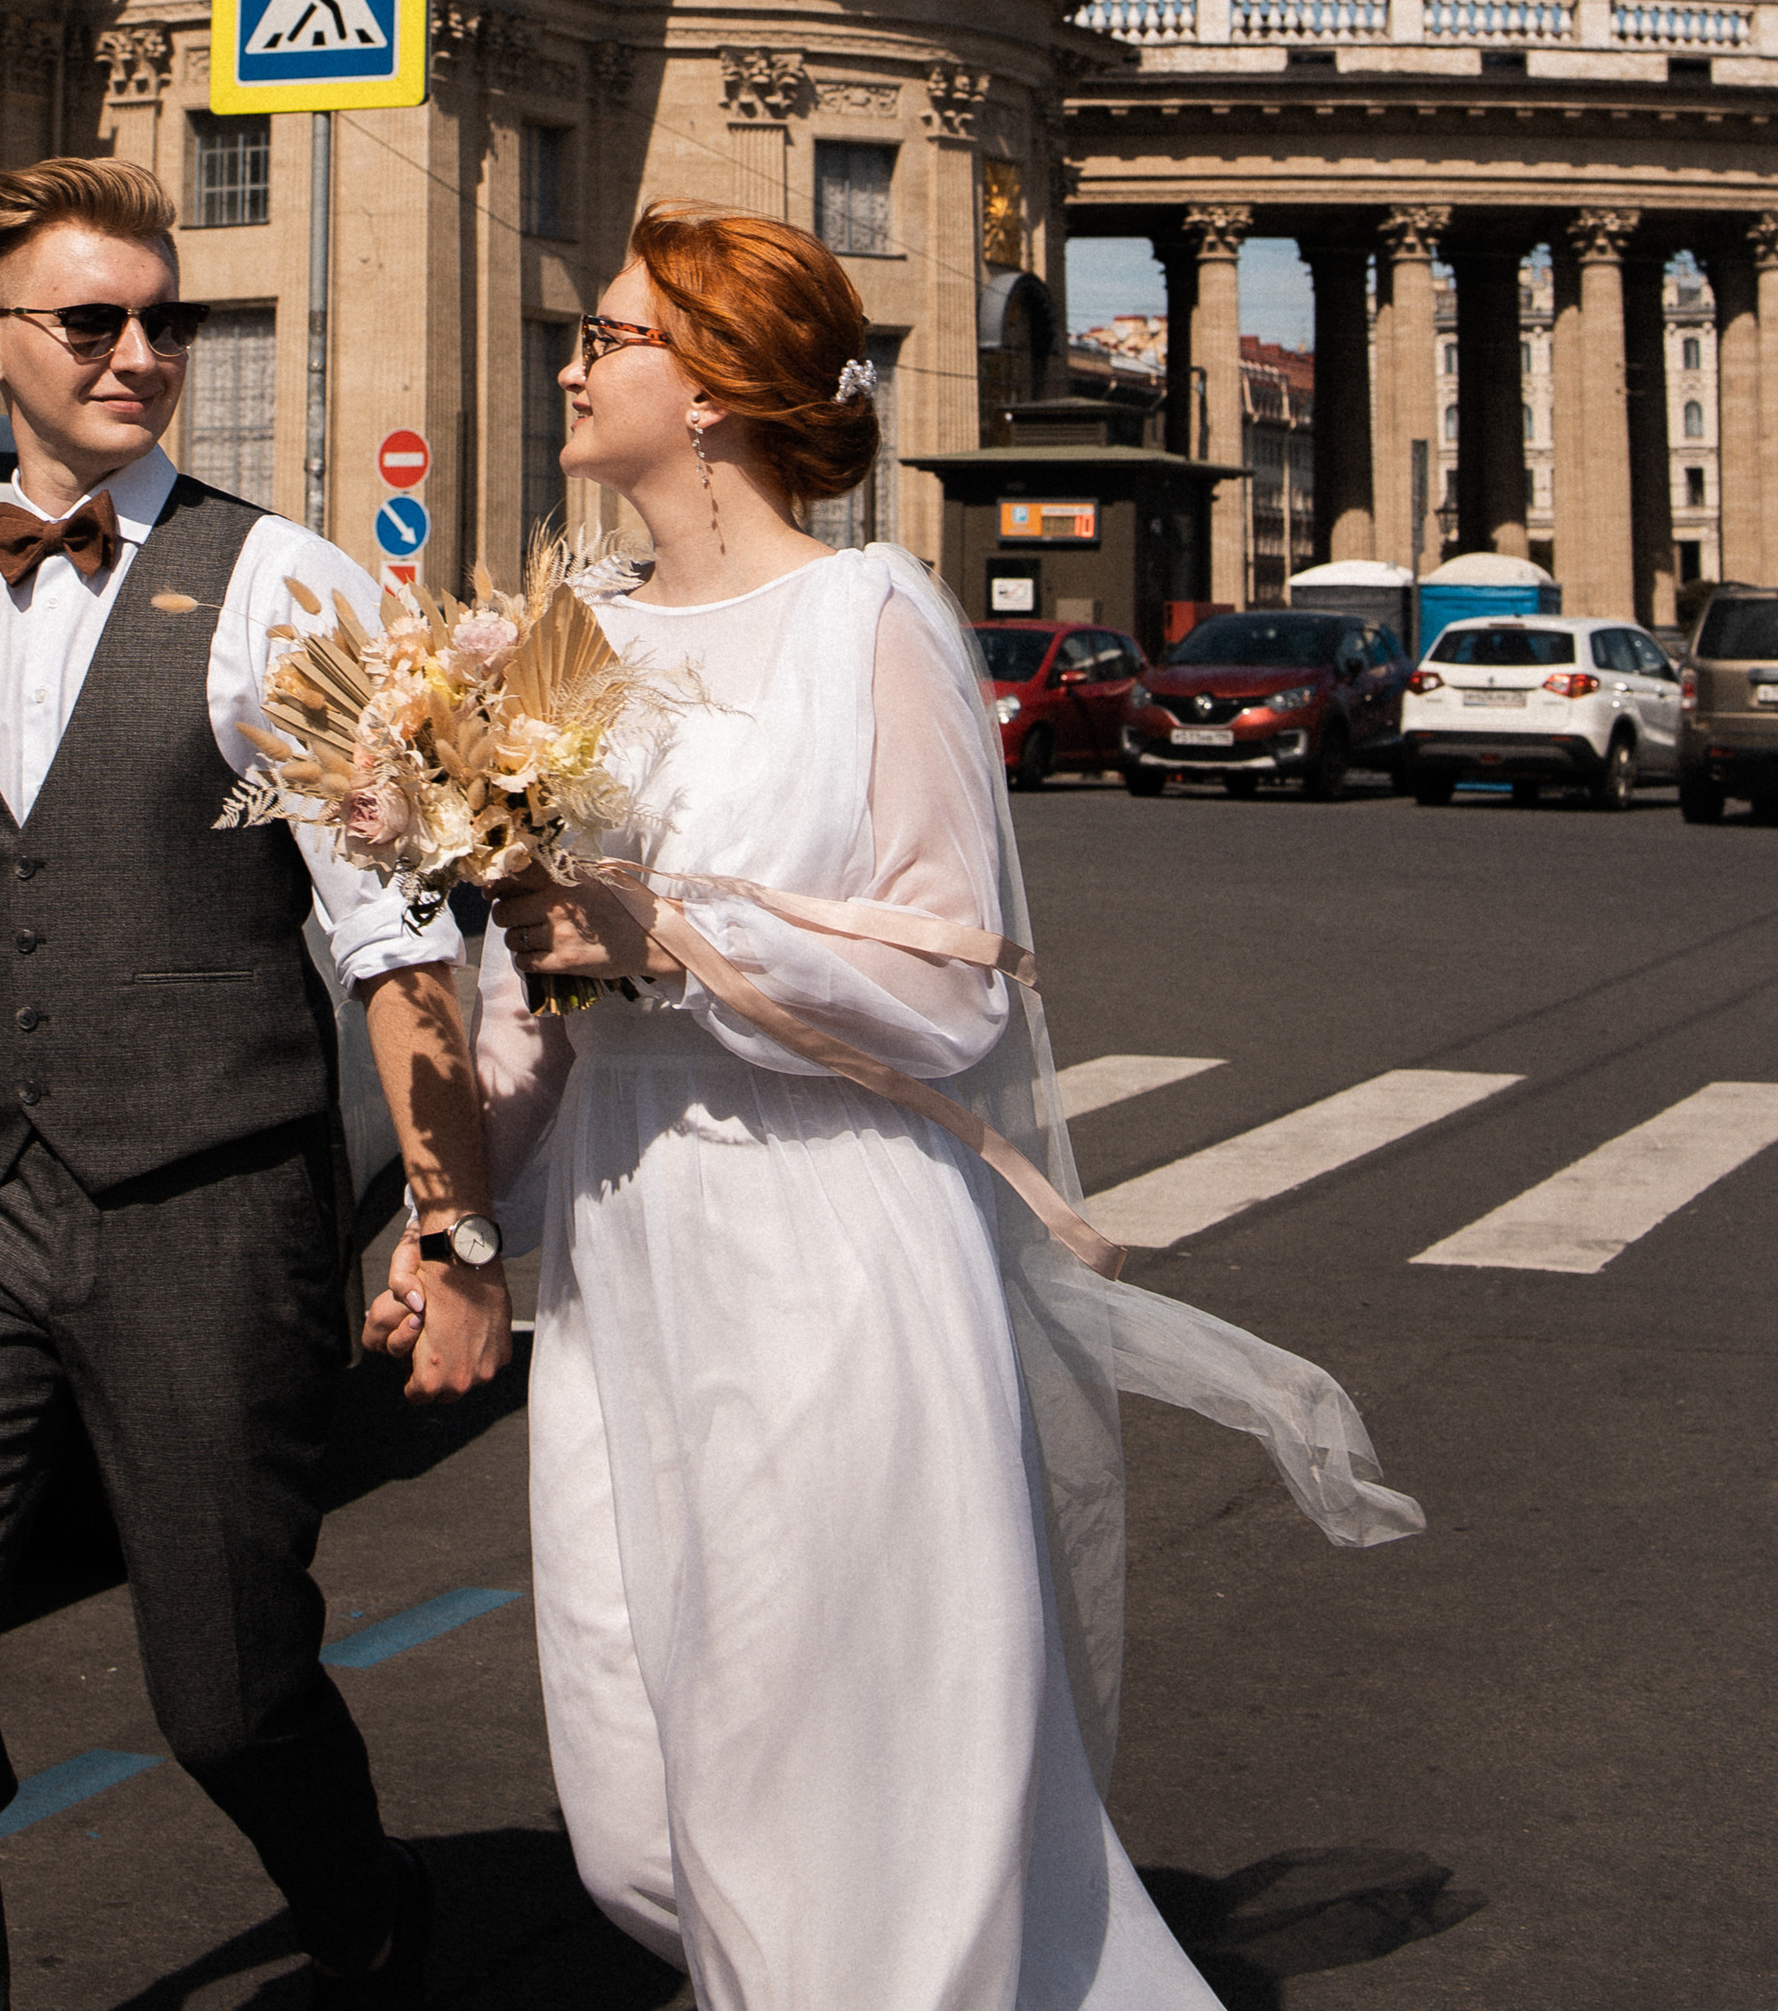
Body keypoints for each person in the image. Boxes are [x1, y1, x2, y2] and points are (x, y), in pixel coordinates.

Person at [368, 204, 1419, 2011]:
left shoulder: (876, 617)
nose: (570, 358)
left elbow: (955, 989)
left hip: (831, 1251)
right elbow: (528, 1009)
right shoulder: (562, 644)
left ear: (710, 389)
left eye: (608, 334)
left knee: (833, 1826)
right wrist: (450, 1218)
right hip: (633, 1267)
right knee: (642, 1814)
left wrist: (673, 938)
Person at [0, 155, 513, 2008]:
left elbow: (394, 940)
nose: (144, 353)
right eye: (96, 321)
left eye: (168, 319)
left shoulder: (281, 585)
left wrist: (451, 1222)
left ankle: (365, 1903)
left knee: (226, 1686)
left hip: (207, 1206)